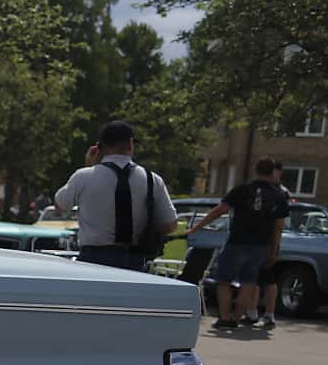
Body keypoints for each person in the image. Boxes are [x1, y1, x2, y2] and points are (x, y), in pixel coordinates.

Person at [52, 120, 175, 272]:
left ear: (99, 148)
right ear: (130, 144)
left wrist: (89, 167)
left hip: (93, 259)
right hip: (135, 260)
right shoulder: (153, 179)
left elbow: (60, 206)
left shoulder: (83, 177)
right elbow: (170, 225)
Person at [186, 157, 289, 331]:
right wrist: (273, 250)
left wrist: (196, 228)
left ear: (255, 170)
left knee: (224, 280)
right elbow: (278, 227)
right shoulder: (278, 195)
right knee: (249, 281)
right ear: (272, 172)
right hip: (260, 244)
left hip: (237, 241)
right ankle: (236, 317)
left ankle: (224, 317)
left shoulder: (242, 189)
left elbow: (219, 210)